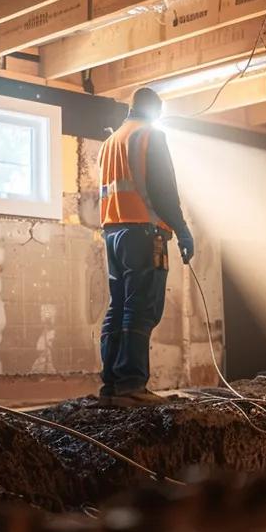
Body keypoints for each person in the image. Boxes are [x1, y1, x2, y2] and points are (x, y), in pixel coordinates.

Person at [97, 88, 195, 407]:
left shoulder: (111, 142)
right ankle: (132, 384)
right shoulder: (150, 135)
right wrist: (181, 230)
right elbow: (164, 191)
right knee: (141, 308)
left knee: (118, 307)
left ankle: (112, 385)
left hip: (113, 232)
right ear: (155, 111)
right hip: (144, 232)